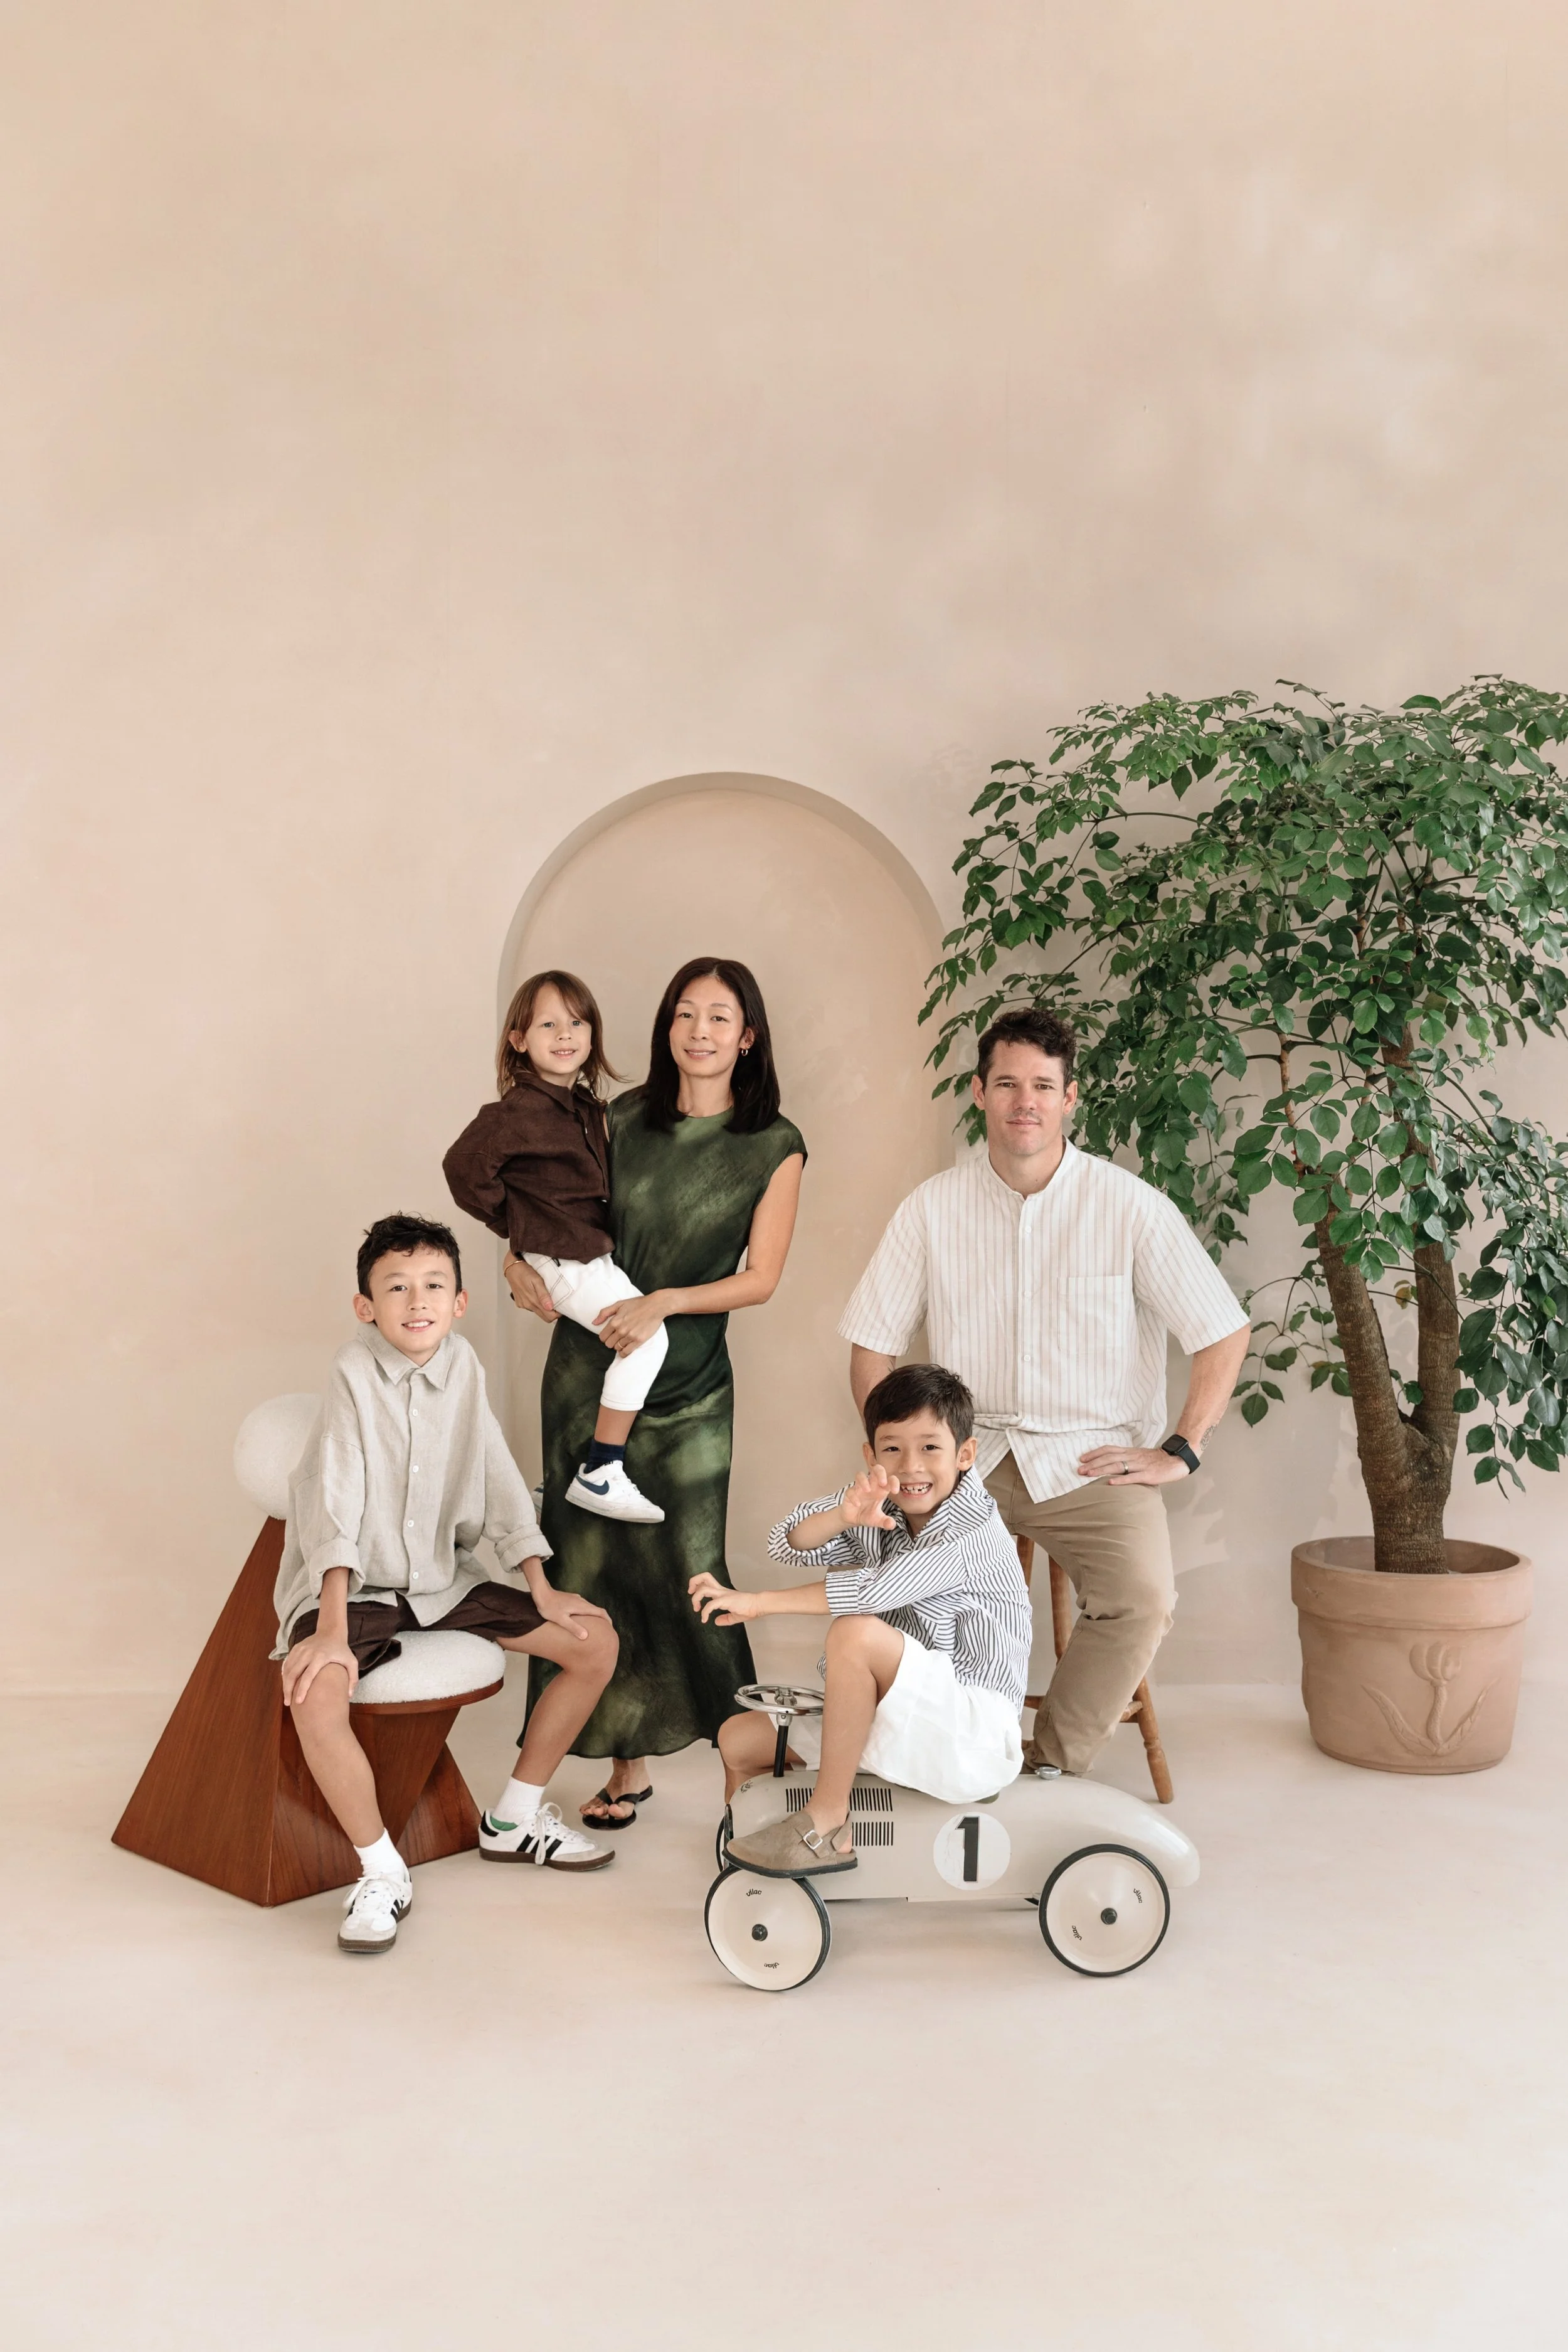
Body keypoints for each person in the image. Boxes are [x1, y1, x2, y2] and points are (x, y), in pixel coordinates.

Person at [840, 1006, 1251, 1779]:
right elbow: (871, 1341)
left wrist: (1181, 1447)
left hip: (1091, 1461)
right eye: (1006, 1084)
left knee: (1141, 1598)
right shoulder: (932, 1207)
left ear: (1069, 1097)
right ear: (979, 1093)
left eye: (1041, 1085)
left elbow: (1221, 1330)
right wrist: (895, 1460)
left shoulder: (1129, 1206)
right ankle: (930, 1759)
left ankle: (1048, 1767)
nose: (1023, 1101)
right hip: (966, 1460)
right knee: (893, 1590)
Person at [504, 958, 805, 1832]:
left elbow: (761, 1278)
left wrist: (664, 1301)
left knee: (693, 1567)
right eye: (685, 1013)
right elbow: (548, 1211)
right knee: (591, 1566)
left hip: (690, 1389)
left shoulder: (774, 1142)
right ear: (666, 1026)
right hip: (585, 1376)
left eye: (719, 1017)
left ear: (747, 1037)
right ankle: (625, 1765)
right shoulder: (617, 1117)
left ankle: (747, 1764)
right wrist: (515, 1263)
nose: (699, 1031)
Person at [273, 1212, 620, 1956]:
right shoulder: (352, 1371)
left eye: (434, 1284)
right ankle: (380, 1868)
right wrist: (329, 1627)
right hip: (357, 1588)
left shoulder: (463, 1364)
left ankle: (514, 1818)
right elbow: (335, 1499)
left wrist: (542, 1585)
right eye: (396, 1286)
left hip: (440, 1579)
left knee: (594, 1642)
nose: (417, 1300)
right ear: (366, 1305)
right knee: (315, 1691)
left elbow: (496, 1475)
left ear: (459, 1301)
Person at [693, 1364, 1031, 1875]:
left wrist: (757, 1603)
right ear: (871, 1455)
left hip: (970, 1730)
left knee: (855, 1633)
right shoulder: (880, 1500)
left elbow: (872, 1591)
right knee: (737, 1739)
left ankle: (827, 1823)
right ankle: (750, 1873)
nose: (911, 1466)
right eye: (893, 1448)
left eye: (930, 1447)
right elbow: (788, 1541)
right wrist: (842, 1517)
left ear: (965, 1454)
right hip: (904, 1710)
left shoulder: (973, 1532)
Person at [443, 969, 667, 1525]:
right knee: (649, 1337)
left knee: (603, 1354)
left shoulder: (586, 1107)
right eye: (548, 1024)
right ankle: (601, 1470)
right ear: (520, 1039)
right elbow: (462, 1167)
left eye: (577, 1022)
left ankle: (555, 1480)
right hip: (566, 1260)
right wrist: (519, 1225)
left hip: (587, 1256)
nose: (565, 1034)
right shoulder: (516, 1112)